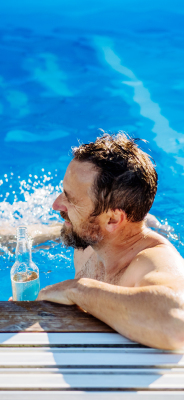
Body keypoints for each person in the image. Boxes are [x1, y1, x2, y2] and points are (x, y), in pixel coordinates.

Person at [37, 133, 184, 350]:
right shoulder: (91, 241)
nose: (56, 204)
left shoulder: (151, 261)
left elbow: (176, 324)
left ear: (112, 219)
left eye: (71, 199)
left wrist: (77, 288)